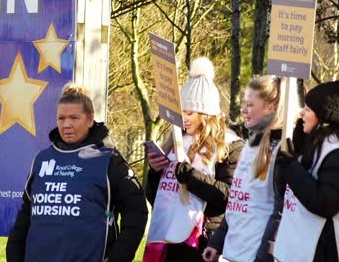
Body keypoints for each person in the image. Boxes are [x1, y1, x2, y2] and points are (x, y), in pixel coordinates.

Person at [5, 83, 148, 262]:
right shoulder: (41, 160)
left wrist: (118, 257)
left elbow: (136, 213)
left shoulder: (109, 160)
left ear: (90, 120)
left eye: (74, 118)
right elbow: (26, 216)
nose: (66, 125)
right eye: (61, 118)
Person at [143, 57, 244, 262]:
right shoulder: (175, 141)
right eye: (181, 113)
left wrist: (190, 177)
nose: (184, 118)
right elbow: (157, 199)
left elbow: (229, 197)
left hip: (202, 242)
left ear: (206, 114)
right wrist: (155, 173)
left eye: (189, 113)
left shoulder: (229, 146)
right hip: (166, 240)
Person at [203, 75, 285, 262]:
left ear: (271, 107)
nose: (243, 110)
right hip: (232, 253)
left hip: (255, 255)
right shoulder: (248, 146)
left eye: (250, 104)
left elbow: (279, 212)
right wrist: (218, 242)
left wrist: (265, 256)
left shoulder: (280, 151)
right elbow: (235, 202)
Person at [274, 80, 339, 262]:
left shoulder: (335, 152)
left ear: (324, 120)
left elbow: (325, 203)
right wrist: (297, 142)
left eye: (308, 110)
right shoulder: (311, 144)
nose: (301, 112)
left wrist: (291, 166)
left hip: (319, 252)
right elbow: (283, 191)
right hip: (293, 249)